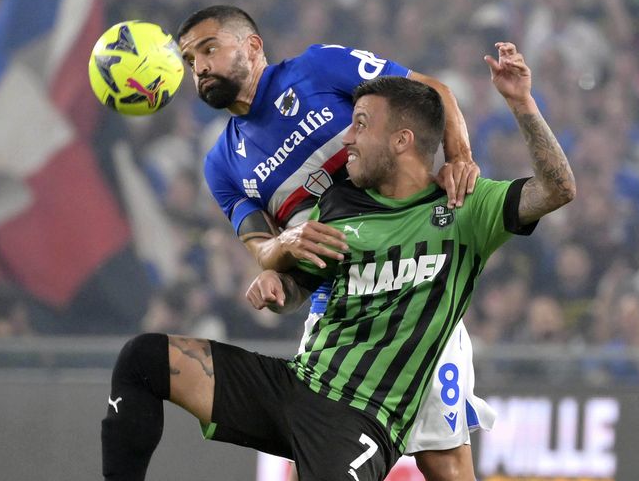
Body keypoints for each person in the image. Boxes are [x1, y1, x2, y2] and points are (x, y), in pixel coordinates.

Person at [100, 42, 575, 480]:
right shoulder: (336, 214)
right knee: (143, 358)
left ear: (402, 140)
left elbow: (558, 189)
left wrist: (521, 104)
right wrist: (277, 286)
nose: (345, 136)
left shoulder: (466, 208)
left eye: (361, 124)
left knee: (449, 464)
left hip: (359, 416)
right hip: (294, 386)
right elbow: (296, 288)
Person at [175, 5, 487, 480]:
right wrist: (275, 274)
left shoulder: (319, 68)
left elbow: (432, 91)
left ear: (253, 46)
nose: (199, 66)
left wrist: (459, 157)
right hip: (335, 310)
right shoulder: (221, 164)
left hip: (414, 281)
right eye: (189, 59)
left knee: (445, 462)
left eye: (209, 48)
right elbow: (264, 249)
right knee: (317, 465)